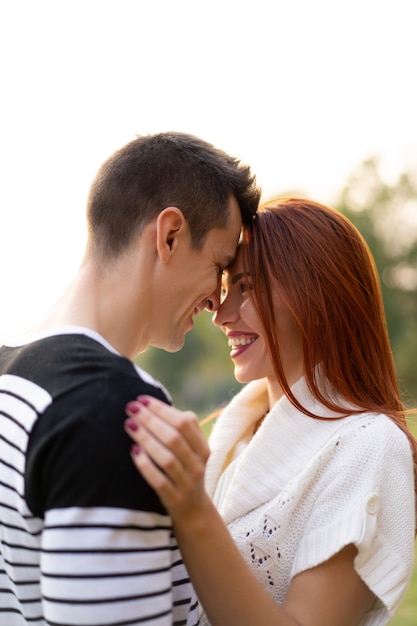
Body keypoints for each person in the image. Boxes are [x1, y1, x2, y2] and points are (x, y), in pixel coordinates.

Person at [0, 131, 260, 626]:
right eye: (220, 267)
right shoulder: (115, 410)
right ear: (169, 236)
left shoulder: (8, 375)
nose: (215, 303)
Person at [124, 198, 417, 626]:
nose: (221, 315)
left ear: (317, 295)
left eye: (247, 288)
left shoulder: (369, 446)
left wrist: (192, 511)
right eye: (225, 291)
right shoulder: (235, 434)